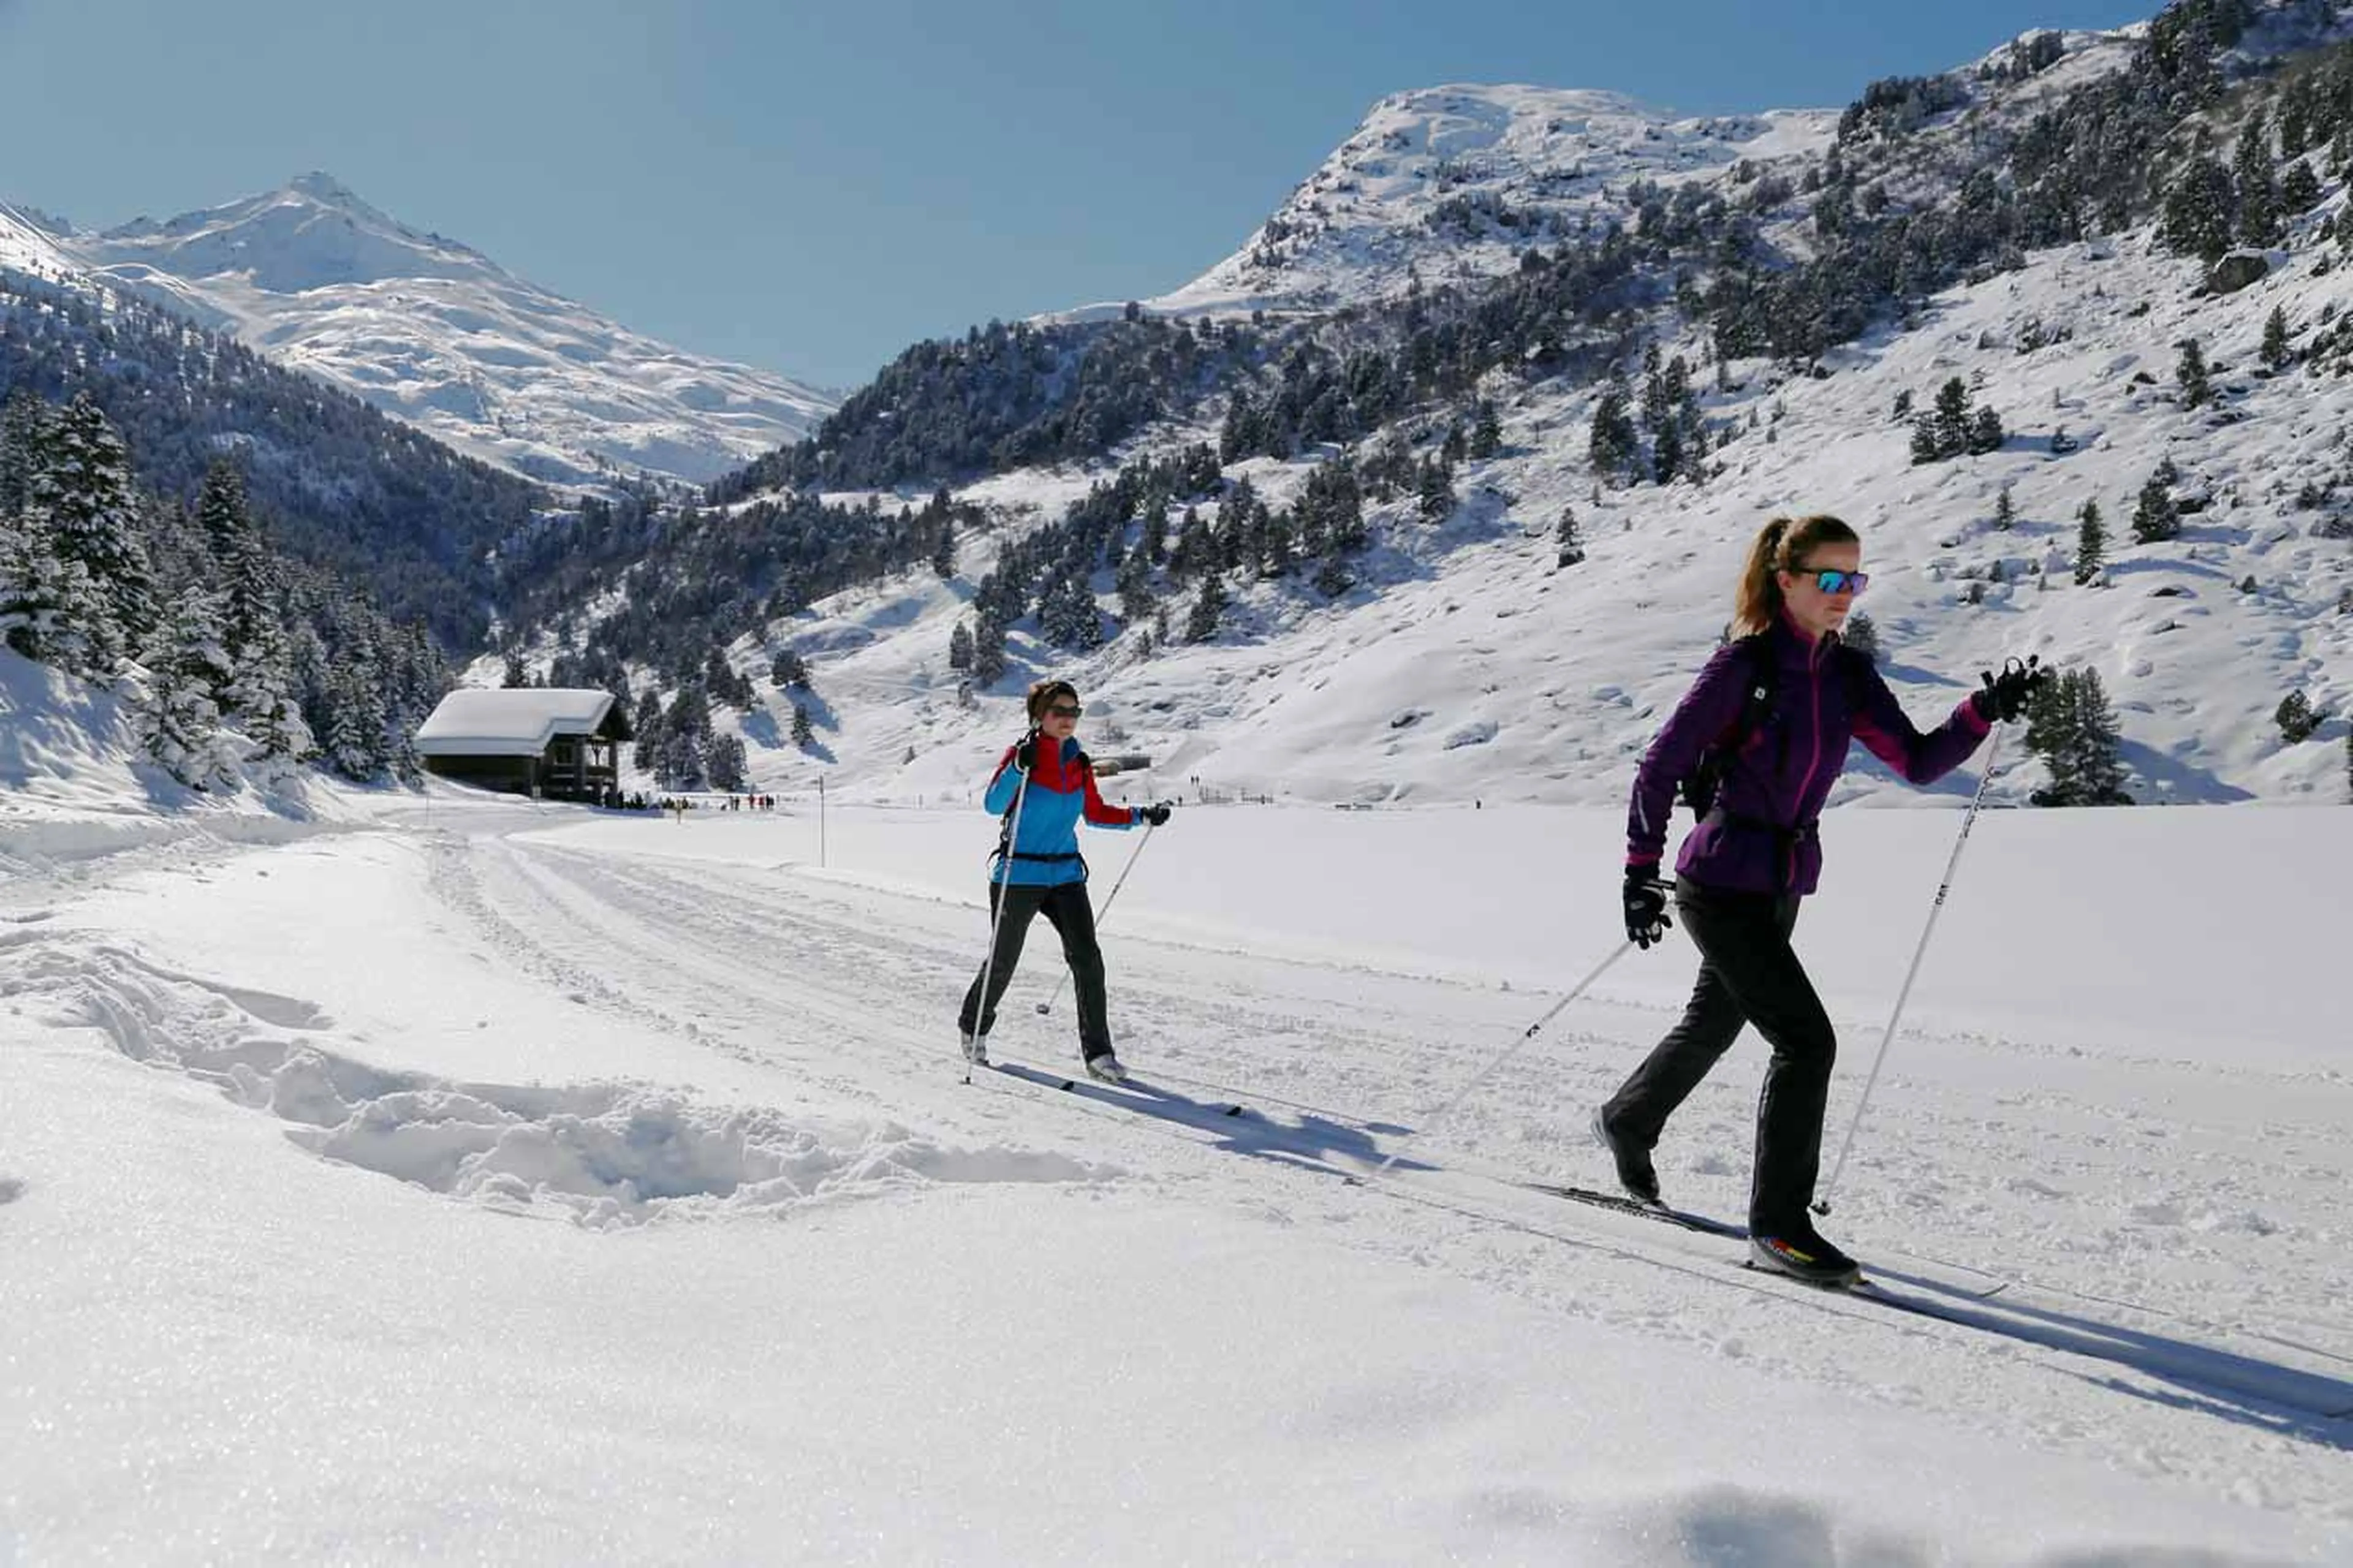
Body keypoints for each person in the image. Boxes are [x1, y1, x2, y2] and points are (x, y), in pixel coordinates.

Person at [1594, 514, 2040, 1286]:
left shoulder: (1847, 675)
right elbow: (1660, 766)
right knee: (1807, 1042)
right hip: (1719, 882)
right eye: (1830, 579)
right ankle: (1778, 1228)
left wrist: (1981, 710)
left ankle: (1628, 1119)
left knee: (1714, 1020)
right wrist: (1640, 870)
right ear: (1786, 580)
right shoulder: (1745, 665)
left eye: (1855, 580)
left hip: (1782, 880)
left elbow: (1918, 761)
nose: (1844, 594)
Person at [958, 680, 1173, 1080]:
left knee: (1087, 958)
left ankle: (1099, 1055)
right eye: (1059, 711)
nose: (1068, 719)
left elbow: (1095, 812)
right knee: (1004, 958)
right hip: (1019, 874)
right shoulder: (1022, 757)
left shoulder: (1079, 763)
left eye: (1074, 712)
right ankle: (973, 1025)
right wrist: (1017, 769)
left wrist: (1140, 815)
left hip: (1065, 874)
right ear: (1039, 716)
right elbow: (993, 805)